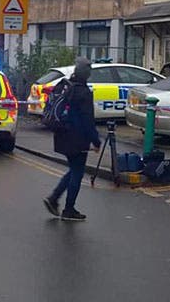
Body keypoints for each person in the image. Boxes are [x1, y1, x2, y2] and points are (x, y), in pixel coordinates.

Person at [42, 57, 100, 221]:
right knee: (77, 172)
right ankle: (68, 208)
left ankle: (54, 198)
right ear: (86, 73)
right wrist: (95, 141)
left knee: (74, 169)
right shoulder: (83, 93)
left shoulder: (67, 86)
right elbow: (88, 120)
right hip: (77, 138)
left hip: (62, 135)